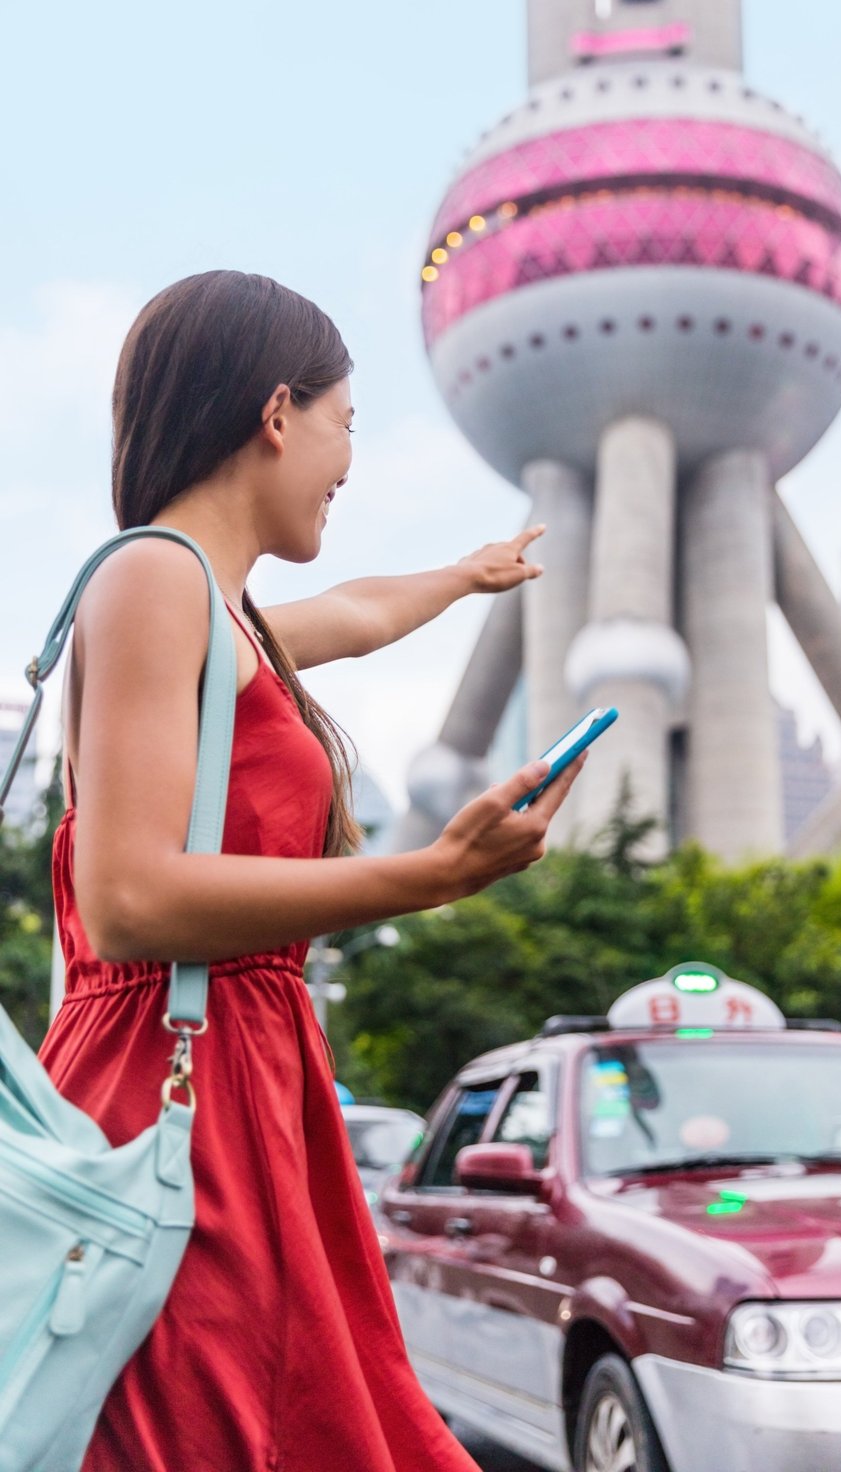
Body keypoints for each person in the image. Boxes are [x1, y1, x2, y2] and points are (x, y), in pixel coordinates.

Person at [39, 269, 585, 1471]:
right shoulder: (151, 579)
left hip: (247, 1083)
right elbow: (129, 901)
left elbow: (358, 610)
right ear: (276, 413)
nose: (350, 459)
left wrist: (468, 574)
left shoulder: (230, 617)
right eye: (346, 423)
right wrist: (428, 874)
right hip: (174, 1091)